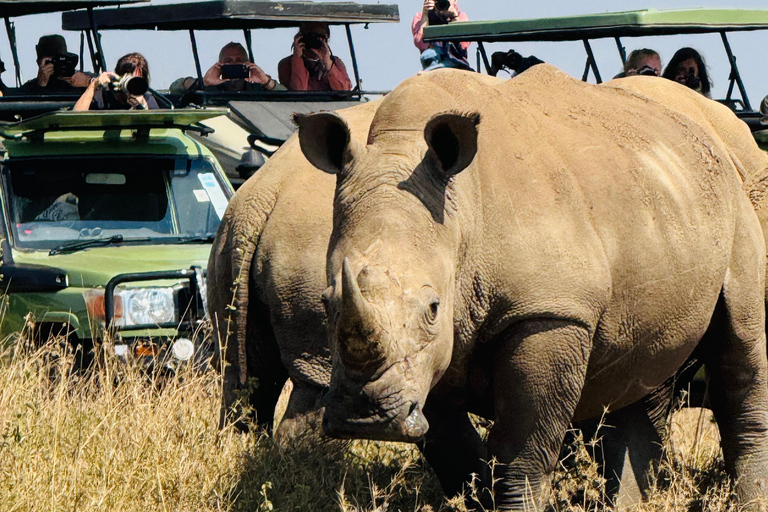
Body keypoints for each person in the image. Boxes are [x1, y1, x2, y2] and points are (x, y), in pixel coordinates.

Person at [171, 42, 281, 94]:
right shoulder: (210, 87)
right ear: (219, 65)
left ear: (247, 64)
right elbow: (175, 87)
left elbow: (286, 94)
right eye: (228, 61)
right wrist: (201, 83)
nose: (233, 64)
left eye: (239, 60)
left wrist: (267, 82)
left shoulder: (257, 88)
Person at [278, 22, 352, 91]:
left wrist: (329, 64)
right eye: (311, 36)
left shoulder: (335, 62)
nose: (316, 41)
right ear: (301, 38)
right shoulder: (286, 64)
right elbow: (299, 91)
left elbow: (344, 91)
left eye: (321, 38)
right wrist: (297, 59)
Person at [73, 53, 159, 111]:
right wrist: (93, 85)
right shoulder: (103, 95)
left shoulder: (147, 98)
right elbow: (76, 116)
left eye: (138, 79)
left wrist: (141, 105)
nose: (133, 83)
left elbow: (157, 129)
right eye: (129, 78)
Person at [412, 0, 471, 72]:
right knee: (428, 54)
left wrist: (454, 17)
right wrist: (425, 17)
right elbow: (421, 44)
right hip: (433, 61)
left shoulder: (461, 16)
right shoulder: (420, 17)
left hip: (456, 60)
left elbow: (464, 44)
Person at [20, 35, 91, 93]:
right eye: (50, 62)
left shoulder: (79, 78)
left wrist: (88, 84)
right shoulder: (29, 88)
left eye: (61, 60)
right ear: (39, 63)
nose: (56, 65)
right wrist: (40, 86)